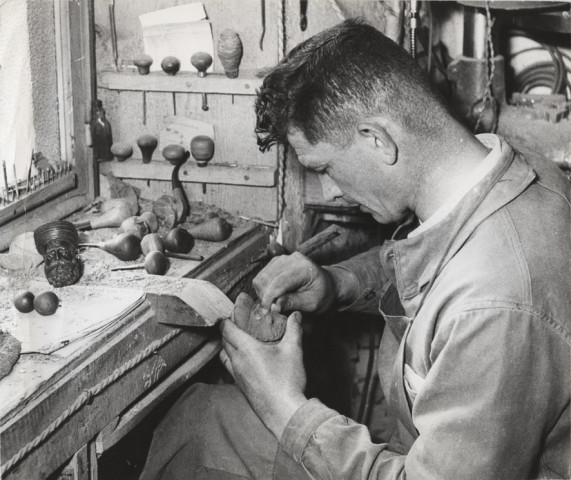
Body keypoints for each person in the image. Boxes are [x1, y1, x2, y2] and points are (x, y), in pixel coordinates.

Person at [140, 18, 570, 480]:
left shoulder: (493, 305)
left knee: (205, 429)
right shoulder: (512, 171)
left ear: (377, 139)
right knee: (205, 416)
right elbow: (435, 262)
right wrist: (339, 284)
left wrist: (286, 409)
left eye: (325, 166)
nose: (331, 190)